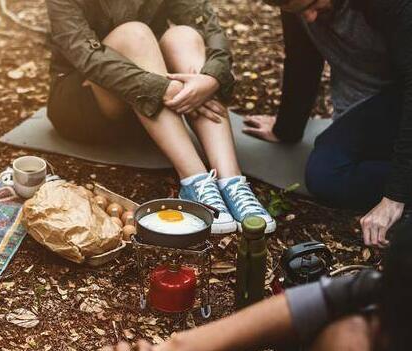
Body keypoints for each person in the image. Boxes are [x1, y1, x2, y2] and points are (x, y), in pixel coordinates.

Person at [78, 229, 412, 351]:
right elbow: (361, 291)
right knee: (347, 344)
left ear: (384, 346)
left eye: (379, 321)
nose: (367, 326)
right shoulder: (357, 346)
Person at [46, 0, 276, 234]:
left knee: (183, 36)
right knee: (134, 34)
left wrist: (211, 78)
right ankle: (193, 179)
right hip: (86, 104)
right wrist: (159, 88)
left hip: (156, 111)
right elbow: (85, 56)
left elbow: (208, 26)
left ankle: (231, 180)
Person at [242, 0, 412, 248]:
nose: (309, 17)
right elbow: (303, 59)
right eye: (300, 11)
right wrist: (287, 128)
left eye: (312, 4)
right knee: (326, 177)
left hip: (400, 94)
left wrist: (394, 196)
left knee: (330, 172)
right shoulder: (298, 6)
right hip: (373, 104)